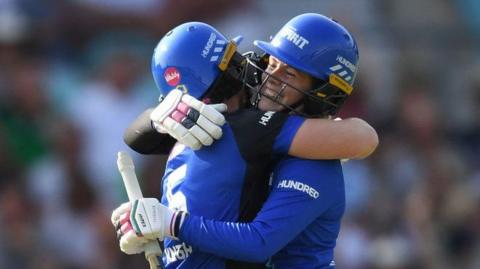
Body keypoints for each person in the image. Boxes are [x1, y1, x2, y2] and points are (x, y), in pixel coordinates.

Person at [112, 16, 376, 269]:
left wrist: (170, 222)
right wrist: (147, 221)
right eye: (272, 63)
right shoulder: (222, 128)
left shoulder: (263, 135)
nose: (271, 77)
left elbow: (258, 243)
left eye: (289, 74)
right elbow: (137, 139)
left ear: (322, 92)